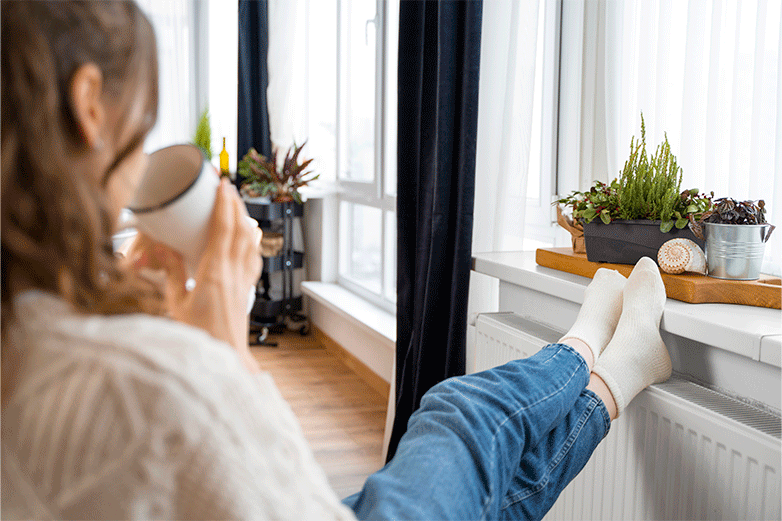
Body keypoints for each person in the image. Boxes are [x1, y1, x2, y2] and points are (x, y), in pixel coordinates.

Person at [0, 2, 672, 520]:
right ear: (90, 105)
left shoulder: (32, 334)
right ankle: (591, 352)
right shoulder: (143, 388)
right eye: (140, 121)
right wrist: (221, 345)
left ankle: (610, 367)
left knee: (479, 488)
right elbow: (210, 444)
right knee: (458, 413)